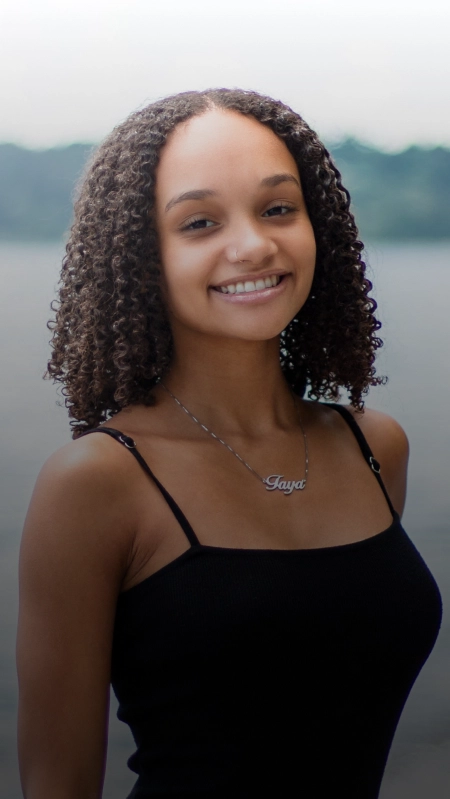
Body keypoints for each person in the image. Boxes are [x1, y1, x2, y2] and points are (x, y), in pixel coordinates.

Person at [16, 88, 443, 799]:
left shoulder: (374, 447)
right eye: (199, 221)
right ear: (140, 257)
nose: (252, 244)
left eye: (278, 208)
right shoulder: (96, 482)